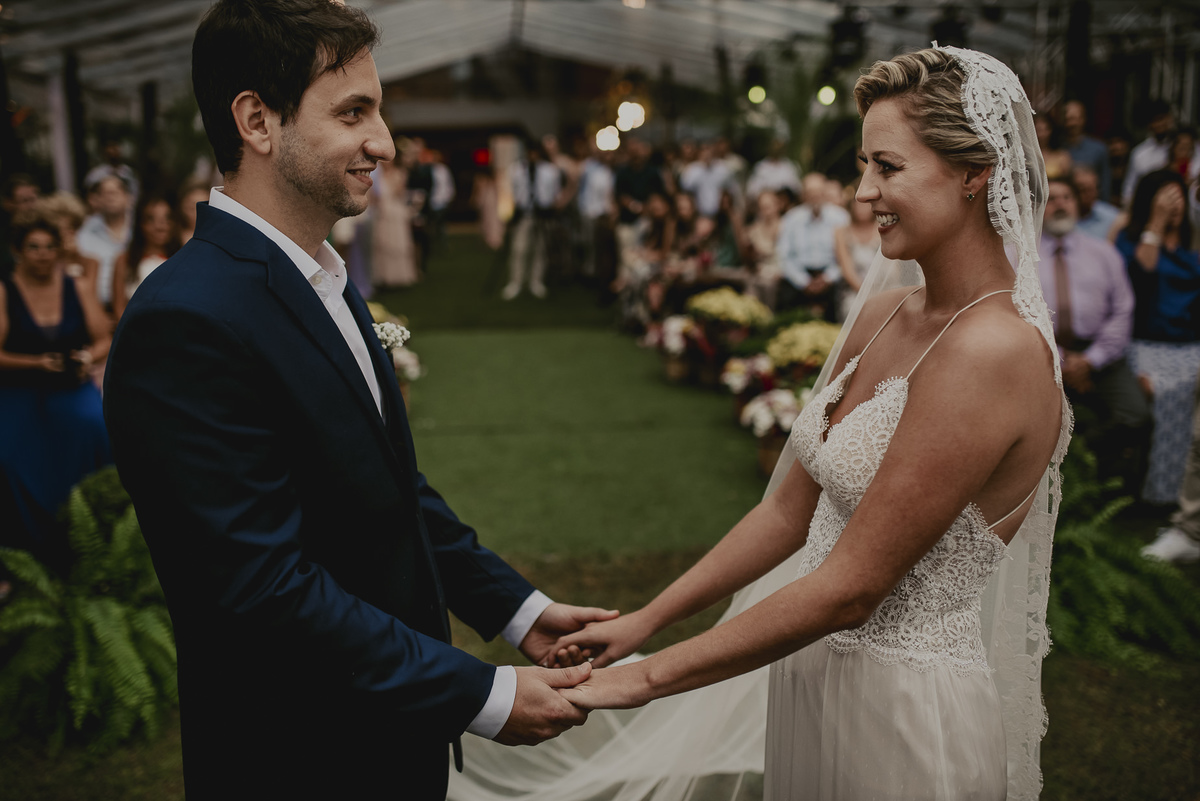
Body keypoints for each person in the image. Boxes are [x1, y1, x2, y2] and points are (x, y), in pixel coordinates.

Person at [447, 45, 1069, 801]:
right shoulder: (881, 314)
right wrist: (647, 618)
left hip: (905, 709)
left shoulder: (993, 350)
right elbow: (785, 512)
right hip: (807, 676)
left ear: (973, 173)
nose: (863, 190)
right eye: (863, 165)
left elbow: (852, 587)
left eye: (888, 167)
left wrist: (645, 680)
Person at [103, 3, 614, 799]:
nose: (384, 141)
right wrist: (482, 692)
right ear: (257, 121)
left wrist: (518, 609)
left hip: (394, 741)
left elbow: (383, 487)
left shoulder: (322, 279)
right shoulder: (186, 320)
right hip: (300, 757)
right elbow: (260, 588)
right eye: (353, 113)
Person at [0, 208, 112, 565]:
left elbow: (105, 338)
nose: (43, 254)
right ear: (18, 250)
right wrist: (36, 363)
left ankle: (95, 535)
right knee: (9, 456)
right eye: (34, 247)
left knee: (95, 426)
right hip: (20, 389)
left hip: (70, 384)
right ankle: (28, 551)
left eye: (50, 246)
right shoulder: (5, 290)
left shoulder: (76, 286)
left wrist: (84, 358)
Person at [1039, 175, 1150, 492]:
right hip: (1041, 356)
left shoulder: (1103, 253)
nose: (1060, 204)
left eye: (1067, 198)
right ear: (1040, 207)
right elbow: (1019, 311)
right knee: (1033, 425)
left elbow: (1123, 310)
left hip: (1099, 354)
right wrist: (1060, 360)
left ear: (1078, 205)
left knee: (1136, 415)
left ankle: (1094, 473)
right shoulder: (1020, 254)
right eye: (1053, 199)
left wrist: (1089, 360)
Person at [1115, 169, 1200, 505]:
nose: (1174, 205)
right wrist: (1156, 223)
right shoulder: (1131, 238)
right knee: (1159, 396)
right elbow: (1141, 276)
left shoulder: (1192, 243)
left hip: (1190, 345)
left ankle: (1186, 497)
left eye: (1178, 197)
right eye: (1166, 198)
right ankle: (1155, 496)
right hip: (1146, 344)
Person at [776, 172, 850, 318]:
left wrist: (828, 278)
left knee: (839, 300)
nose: (815, 197)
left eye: (818, 192)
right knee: (785, 302)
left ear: (824, 193)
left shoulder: (841, 218)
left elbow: (847, 256)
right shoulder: (791, 219)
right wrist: (803, 281)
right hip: (800, 276)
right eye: (810, 193)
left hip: (830, 276)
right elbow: (784, 256)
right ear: (803, 195)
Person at [503, 141, 562, 300]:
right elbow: (510, 192)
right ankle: (516, 282)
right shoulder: (516, 169)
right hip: (524, 214)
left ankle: (536, 281)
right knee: (519, 249)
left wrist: (551, 208)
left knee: (540, 249)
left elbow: (555, 194)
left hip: (544, 214)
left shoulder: (550, 171)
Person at [110, 194, 181, 318]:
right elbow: (119, 309)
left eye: (167, 218)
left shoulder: (183, 260)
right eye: (151, 219)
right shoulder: (124, 261)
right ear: (140, 224)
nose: (160, 226)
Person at [76, 173, 133, 310]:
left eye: (115, 191)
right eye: (105, 193)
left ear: (128, 197)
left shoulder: (141, 228)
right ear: (97, 199)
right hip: (99, 307)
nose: (111, 196)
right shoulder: (84, 232)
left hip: (137, 305)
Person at [371, 138, 420, 289]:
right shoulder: (376, 176)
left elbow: (400, 193)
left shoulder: (399, 173)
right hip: (382, 212)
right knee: (382, 244)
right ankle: (384, 277)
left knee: (397, 243)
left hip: (395, 211)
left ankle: (400, 277)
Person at [833, 187, 880, 320]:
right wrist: (866, 294)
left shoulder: (882, 228)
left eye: (866, 205)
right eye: (858, 204)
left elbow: (893, 269)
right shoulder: (841, 232)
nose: (862, 208)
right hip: (854, 290)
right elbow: (846, 269)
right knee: (853, 308)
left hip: (883, 287)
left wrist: (880, 293)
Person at [1122, 99, 1176, 206]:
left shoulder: (1183, 147)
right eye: (1154, 121)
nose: (1159, 124)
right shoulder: (1140, 153)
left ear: (1170, 119)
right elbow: (1129, 188)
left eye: (1161, 119)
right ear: (1149, 124)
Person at [1063, 100, 1112, 202]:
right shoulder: (1057, 148)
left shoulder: (1099, 149)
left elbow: (1105, 183)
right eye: (1068, 119)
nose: (1072, 124)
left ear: (1083, 119)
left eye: (1075, 119)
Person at [745, 139, 802, 204]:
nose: (776, 149)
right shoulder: (760, 167)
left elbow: (797, 188)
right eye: (774, 146)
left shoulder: (790, 167)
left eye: (779, 147)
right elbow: (752, 191)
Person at [1072, 164, 1121, 241]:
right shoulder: (1060, 217)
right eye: (1082, 189)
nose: (1087, 194)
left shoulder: (1114, 218)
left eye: (1091, 189)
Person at [1035, 110, 1073, 179]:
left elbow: (1067, 181)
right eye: (1038, 130)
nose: (1041, 134)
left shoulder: (1062, 156)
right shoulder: (1026, 155)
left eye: (1045, 130)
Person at [177, 179, 212, 245]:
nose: (198, 213)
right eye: (192, 207)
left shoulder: (216, 236)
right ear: (182, 207)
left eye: (204, 208)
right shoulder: (173, 237)